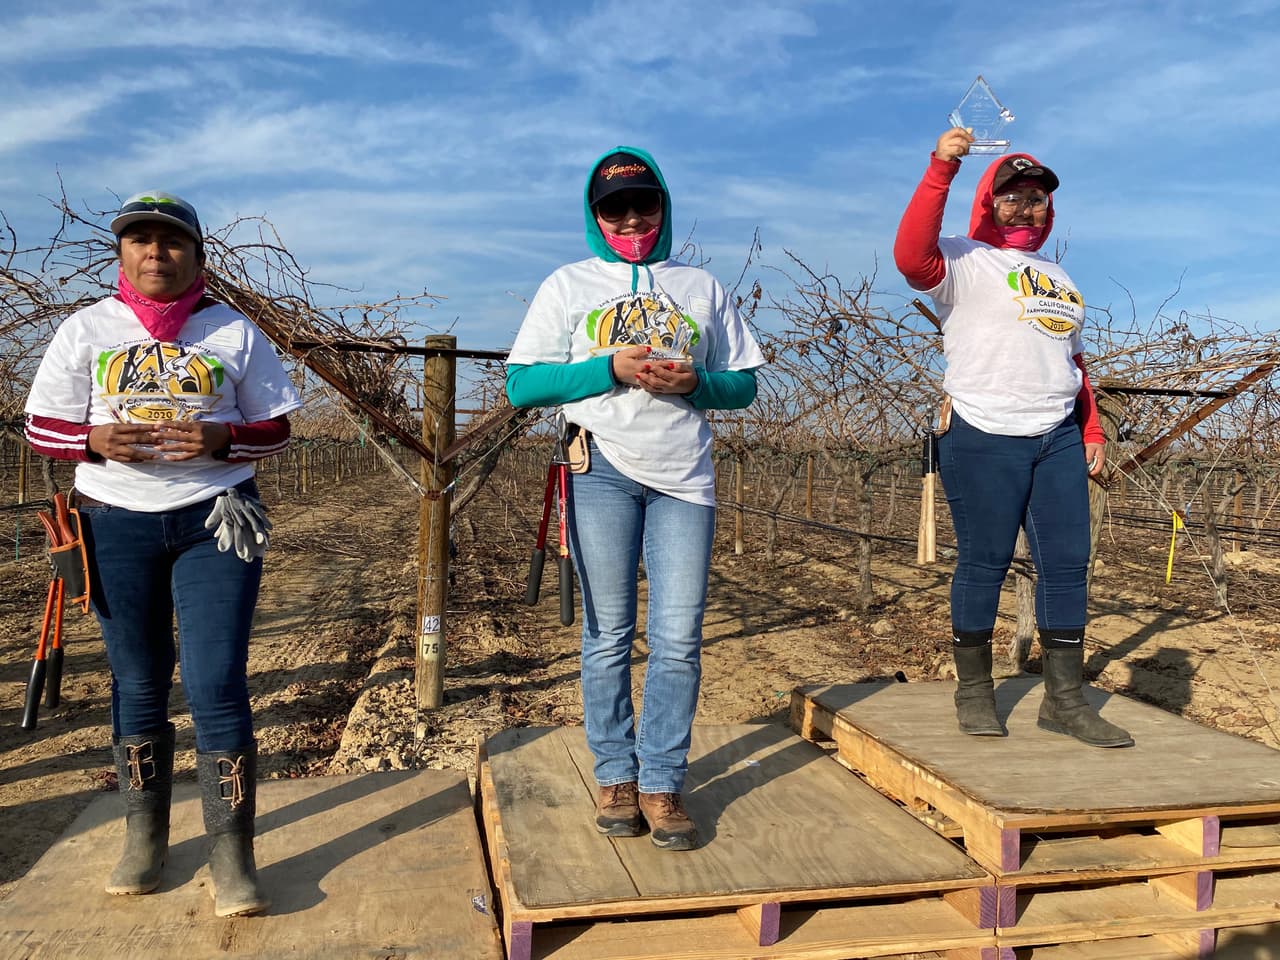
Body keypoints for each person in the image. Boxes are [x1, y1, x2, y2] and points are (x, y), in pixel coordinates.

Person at [24, 191, 303, 914]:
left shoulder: (232, 330)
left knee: (216, 680)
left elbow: (277, 428)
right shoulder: (87, 329)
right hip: (114, 522)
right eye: (140, 240)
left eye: (172, 241)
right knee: (138, 679)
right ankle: (144, 836)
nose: (156, 252)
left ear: (197, 256)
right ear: (121, 254)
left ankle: (232, 854)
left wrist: (223, 437)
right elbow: (42, 427)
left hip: (216, 518)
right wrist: (91, 440)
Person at [506, 147, 766, 849]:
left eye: (643, 204)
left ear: (663, 207)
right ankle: (616, 774)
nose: (630, 220)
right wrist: (608, 367)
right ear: (594, 215)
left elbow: (742, 384)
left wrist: (695, 384)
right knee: (609, 632)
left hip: (685, 480)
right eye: (613, 208)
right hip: (600, 471)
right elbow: (523, 385)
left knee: (678, 637)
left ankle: (663, 781)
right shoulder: (568, 285)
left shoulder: (701, 287)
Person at [894, 129, 1133, 749]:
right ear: (988, 202)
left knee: (1067, 563)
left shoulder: (1060, 278)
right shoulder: (962, 260)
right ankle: (974, 691)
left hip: (1056, 435)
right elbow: (910, 256)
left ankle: (1065, 700)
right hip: (984, 430)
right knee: (986, 559)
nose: (1025, 209)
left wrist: (1090, 427)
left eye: (1036, 199)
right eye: (1011, 198)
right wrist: (941, 167)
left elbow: (1072, 361)